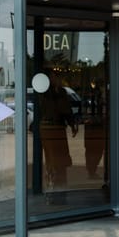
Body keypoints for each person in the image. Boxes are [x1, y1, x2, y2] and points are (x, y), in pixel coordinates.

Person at [39, 69, 78, 203]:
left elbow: (65, 110)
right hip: (51, 130)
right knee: (55, 162)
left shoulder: (56, 92)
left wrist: (72, 123)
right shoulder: (50, 93)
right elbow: (64, 109)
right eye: (54, 76)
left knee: (56, 162)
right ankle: (54, 191)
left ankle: (56, 191)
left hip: (52, 130)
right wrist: (72, 124)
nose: (57, 79)